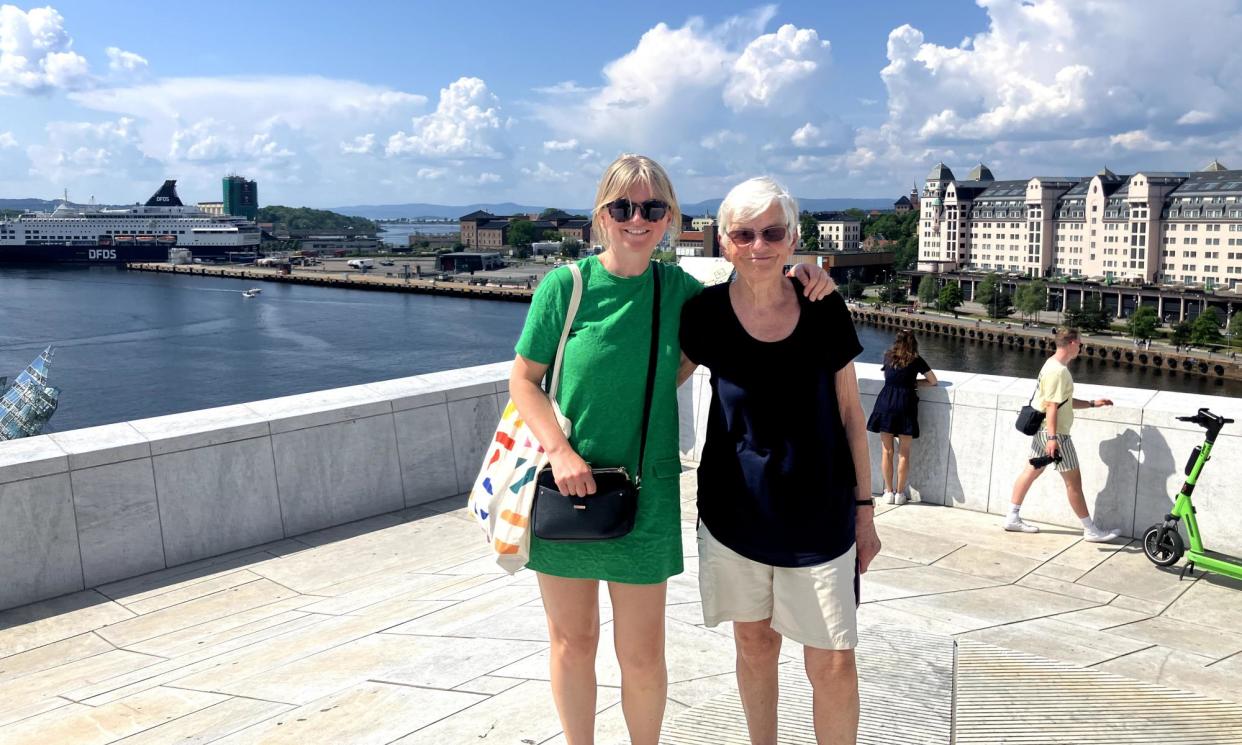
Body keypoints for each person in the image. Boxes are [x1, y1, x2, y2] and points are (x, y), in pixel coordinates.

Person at [508, 155, 834, 745]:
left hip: (645, 491)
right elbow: (523, 380)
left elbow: (752, 290)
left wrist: (806, 272)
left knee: (642, 656)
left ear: (669, 218)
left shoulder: (683, 294)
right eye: (623, 207)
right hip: (565, 490)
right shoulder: (568, 287)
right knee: (572, 641)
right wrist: (559, 450)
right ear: (601, 215)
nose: (638, 219)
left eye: (653, 208)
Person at [679, 177, 879, 745]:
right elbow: (653, 381)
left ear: (793, 239)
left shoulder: (823, 307)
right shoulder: (706, 314)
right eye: (744, 234)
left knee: (833, 663)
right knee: (754, 644)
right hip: (734, 516)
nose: (758, 245)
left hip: (820, 516)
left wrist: (865, 514)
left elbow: (850, 418)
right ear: (724, 243)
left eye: (772, 232)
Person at [1004, 328, 1121, 542]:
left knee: (1030, 471)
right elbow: (1052, 406)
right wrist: (1053, 438)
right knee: (1073, 483)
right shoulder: (1059, 372)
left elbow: (1063, 401)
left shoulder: (1051, 365)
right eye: (1081, 344)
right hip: (1056, 435)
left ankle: (1012, 517)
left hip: (1043, 430)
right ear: (1072, 343)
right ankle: (1090, 530)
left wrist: (1093, 404)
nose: (1082, 348)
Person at [866, 330, 938, 504]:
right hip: (906, 405)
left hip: (886, 403)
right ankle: (900, 493)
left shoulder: (888, 357)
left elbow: (889, 377)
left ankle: (888, 492)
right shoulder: (916, 360)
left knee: (887, 451)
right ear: (914, 342)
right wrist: (914, 382)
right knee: (904, 453)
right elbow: (933, 381)